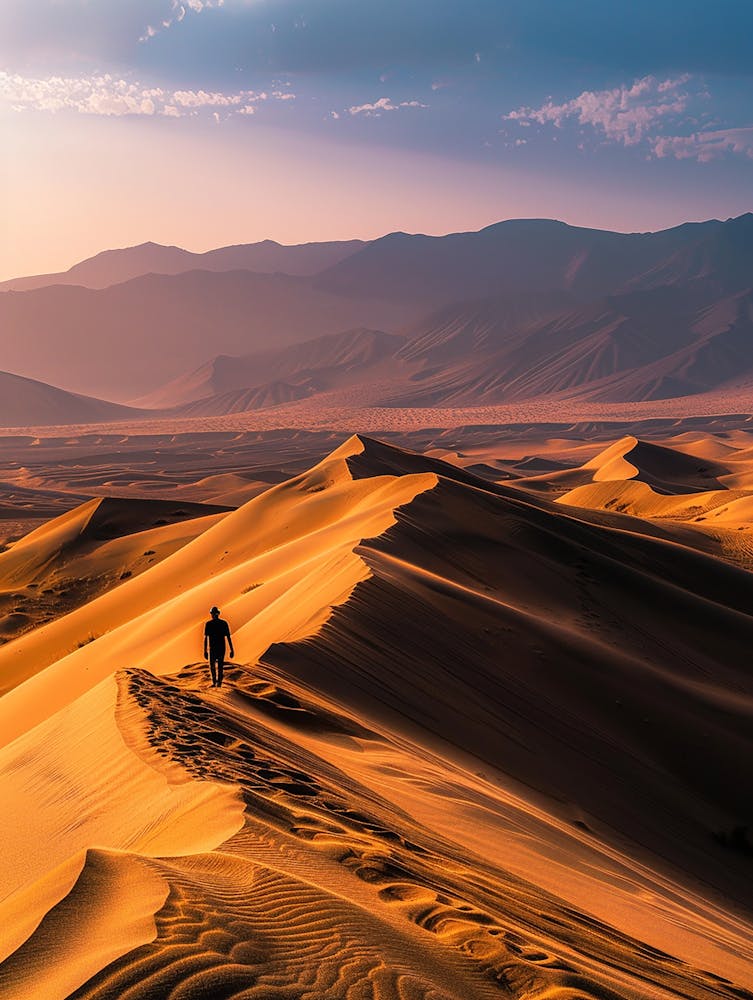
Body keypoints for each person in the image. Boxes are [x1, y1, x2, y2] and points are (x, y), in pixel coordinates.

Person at [203, 606, 234, 688]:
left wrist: (205, 651)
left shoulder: (210, 624)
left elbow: (206, 638)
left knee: (215, 666)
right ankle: (217, 683)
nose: (213, 615)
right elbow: (228, 637)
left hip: (214, 648)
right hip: (218, 648)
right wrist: (231, 650)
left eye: (213, 613)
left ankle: (216, 683)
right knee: (218, 666)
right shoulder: (222, 623)